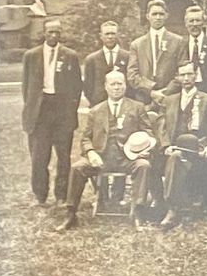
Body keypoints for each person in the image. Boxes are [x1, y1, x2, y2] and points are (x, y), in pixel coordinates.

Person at [59, 71, 152, 231]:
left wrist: (144, 149)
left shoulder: (137, 107)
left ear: (125, 85)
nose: (116, 87)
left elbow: (148, 133)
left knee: (143, 165)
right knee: (77, 168)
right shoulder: (96, 110)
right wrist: (91, 152)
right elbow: (85, 138)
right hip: (101, 158)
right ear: (106, 87)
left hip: (128, 158)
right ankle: (71, 213)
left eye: (119, 84)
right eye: (112, 84)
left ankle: (138, 213)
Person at [155, 62, 207, 230]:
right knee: (174, 157)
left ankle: (173, 209)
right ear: (177, 77)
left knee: (179, 155)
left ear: (196, 75)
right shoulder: (169, 100)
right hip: (172, 149)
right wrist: (165, 145)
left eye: (189, 74)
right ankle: (174, 206)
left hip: (196, 150)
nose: (186, 78)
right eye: (182, 75)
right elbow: (161, 126)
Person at [23, 19, 82, 209]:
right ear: (44, 33)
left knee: (63, 157)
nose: (54, 35)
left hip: (62, 112)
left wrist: (70, 110)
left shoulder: (70, 55)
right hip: (41, 113)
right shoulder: (31, 56)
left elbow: (77, 87)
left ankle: (61, 196)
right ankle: (40, 195)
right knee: (39, 156)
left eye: (57, 32)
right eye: (50, 32)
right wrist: (33, 108)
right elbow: (27, 88)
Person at [130, 0, 189, 99]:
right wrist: (151, 91)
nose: (158, 17)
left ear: (166, 16)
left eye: (161, 14)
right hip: (144, 97)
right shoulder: (137, 45)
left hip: (170, 96)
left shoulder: (178, 41)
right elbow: (132, 74)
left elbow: (182, 70)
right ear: (148, 16)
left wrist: (166, 92)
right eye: (154, 14)